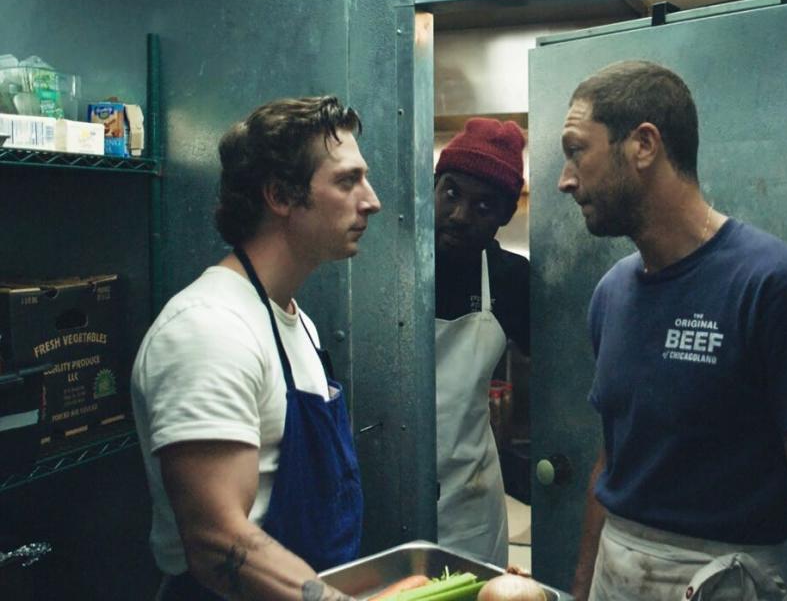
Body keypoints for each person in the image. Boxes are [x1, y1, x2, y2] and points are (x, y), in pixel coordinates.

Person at [557, 61, 787, 601]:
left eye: (577, 149)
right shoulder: (611, 293)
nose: (565, 179)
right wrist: (582, 587)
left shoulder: (779, 288)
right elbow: (611, 460)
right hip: (617, 572)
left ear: (643, 145)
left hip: (724, 582)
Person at [131, 96, 381, 601]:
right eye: (346, 180)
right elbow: (216, 542)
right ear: (280, 196)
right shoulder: (208, 330)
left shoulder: (296, 321)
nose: (371, 200)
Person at [434, 117, 530, 567]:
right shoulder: (386, 268)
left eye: (483, 206)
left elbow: (561, 384)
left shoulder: (512, 280)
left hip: (470, 500)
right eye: (451, 193)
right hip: (388, 489)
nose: (459, 215)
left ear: (505, 216)